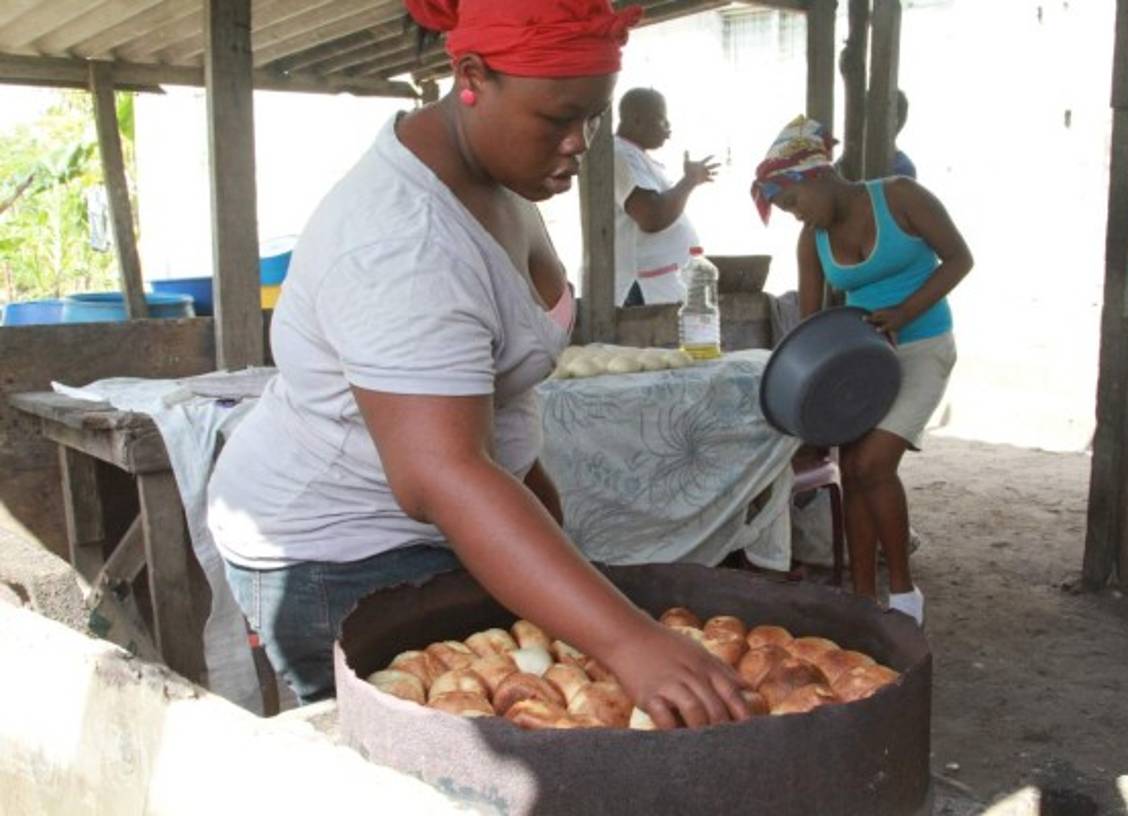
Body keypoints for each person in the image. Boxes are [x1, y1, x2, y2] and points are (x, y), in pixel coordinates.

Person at [207, 0, 749, 729]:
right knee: (425, 756)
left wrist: (555, 540)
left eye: (592, 117)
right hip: (338, 551)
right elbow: (444, 473)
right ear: (470, 76)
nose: (578, 145)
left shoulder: (494, 172)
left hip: (431, 523)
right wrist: (628, 638)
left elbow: (491, 406)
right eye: (558, 118)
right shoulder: (400, 244)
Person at [751, 116, 973, 625]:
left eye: (792, 202)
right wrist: (811, 401)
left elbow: (960, 259)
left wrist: (905, 313)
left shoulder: (901, 197)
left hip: (922, 347)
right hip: (859, 362)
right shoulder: (812, 240)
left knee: (873, 465)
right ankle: (861, 598)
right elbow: (810, 326)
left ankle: (903, 594)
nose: (793, 215)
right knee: (851, 471)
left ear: (817, 175)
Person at [613, 88, 718, 306]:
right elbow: (652, 217)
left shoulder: (635, 156)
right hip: (643, 289)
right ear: (637, 120)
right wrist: (688, 181)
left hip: (661, 285)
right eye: (662, 120)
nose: (668, 129)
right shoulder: (619, 156)